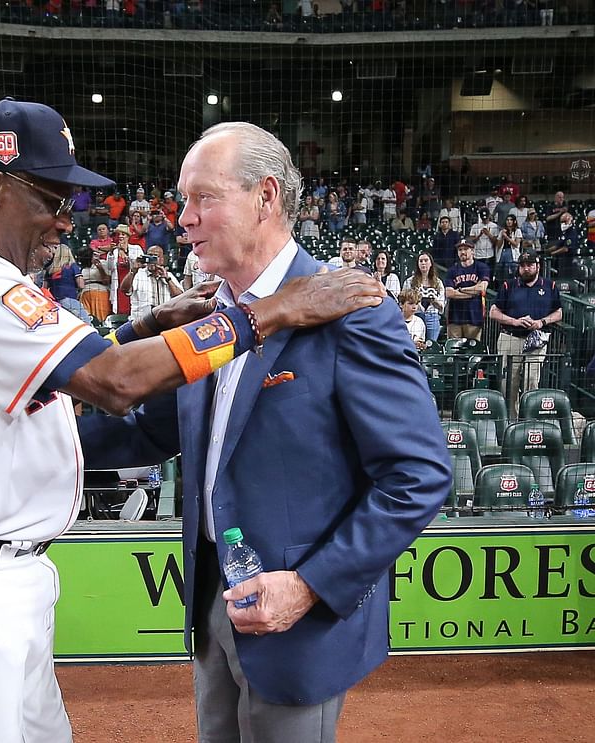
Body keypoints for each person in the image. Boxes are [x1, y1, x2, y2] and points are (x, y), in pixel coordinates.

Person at [0, 99, 387, 743]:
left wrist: (142, 327)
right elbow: (112, 382)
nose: (64, 222)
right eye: (52, 199)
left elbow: (74, 365)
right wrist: (268, 314)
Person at [79, 121, 449, 743]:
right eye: (182, 200)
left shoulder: (349, 309)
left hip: (294, 619)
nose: (183, 217)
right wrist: (32, 440)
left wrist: (309, 587)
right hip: (214, 605)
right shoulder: (210, 315)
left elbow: (418, 475)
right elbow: (148, 435)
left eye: (203, 198)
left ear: (266, 197)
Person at [489, 251, 561, 418]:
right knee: (508, 383)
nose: (526, 269)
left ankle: (529, 420)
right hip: (510, 337)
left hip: (536, 340)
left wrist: (541, 322)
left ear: (538, 266)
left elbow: (559, 312)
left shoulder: (549, 286)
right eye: (523, 266)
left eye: (530, 265)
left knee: (531, 381)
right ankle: (510, 423)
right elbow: (493, 312)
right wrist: (515, 321)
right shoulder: (509, 285)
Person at [119, 244, 184, 320]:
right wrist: (133, 270)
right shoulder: (138, 274)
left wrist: (167, 279)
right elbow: (124, 289)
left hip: (164, 321)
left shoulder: (168, 275)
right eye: (149, 256)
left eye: (155, 256)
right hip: (141, 322)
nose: (152, 260)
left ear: (162, 260)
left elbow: (180, 297)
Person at [445, 240, 490, 340]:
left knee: (472, 352)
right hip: (454, 318)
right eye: (460, 249)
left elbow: (482, 288)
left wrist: (460, 290)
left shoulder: (482, 268)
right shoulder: (452, 270)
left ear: (473, 251)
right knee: (454, 351)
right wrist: (473, 292)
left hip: (474, 317)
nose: (463, 252)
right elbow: (449, 293)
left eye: (466, 249)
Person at [403, 251, 445, 343]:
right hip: (415, 316)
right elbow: (404, 300)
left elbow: (442, 307)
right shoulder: (409, 282)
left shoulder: (438, 283)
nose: (423, 263)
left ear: (431, 264)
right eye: (421, 261)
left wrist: (435, 302)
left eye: (426, 260)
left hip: (432, 317)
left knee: (430, 346)